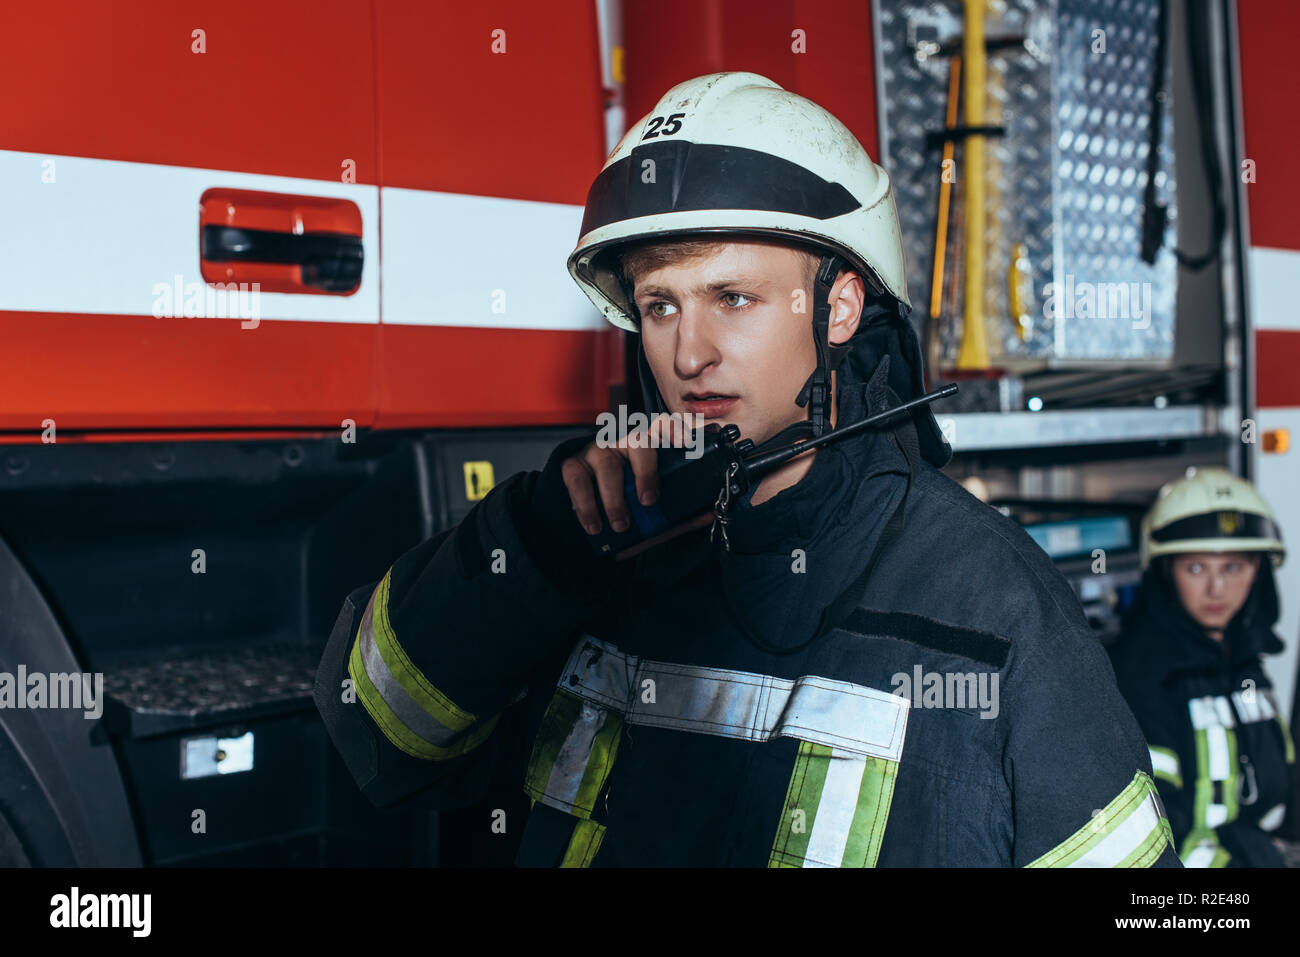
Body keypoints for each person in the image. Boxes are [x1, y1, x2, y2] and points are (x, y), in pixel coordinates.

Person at [314, 71, 1178, 866]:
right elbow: (379, 733)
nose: (688, 353)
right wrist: (537, 548)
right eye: (659, 305)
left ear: (838, 305)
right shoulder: (599, 561)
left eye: (733, 298)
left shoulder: (994, 609)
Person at [1109, 466, 1297, 867]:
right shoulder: (1141, 678)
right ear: (1165, 572)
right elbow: (1149, 835)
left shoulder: (1244, 663)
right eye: (1195, 568)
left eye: (1233, 568)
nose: (1217, 590)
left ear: (1258, 573)